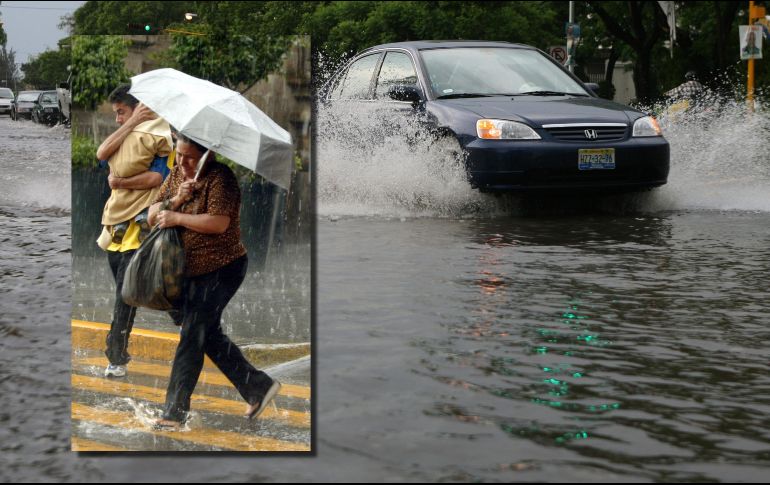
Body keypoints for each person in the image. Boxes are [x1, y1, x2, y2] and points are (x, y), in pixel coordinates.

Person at [148, 134, 280, 429]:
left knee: (193, 334)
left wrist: (178, 219)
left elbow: (218, 223)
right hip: (186, 273)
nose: (183, 162)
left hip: (222, 269)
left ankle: (174, 412)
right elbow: (152, 215)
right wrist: (178, 199)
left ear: (208, 155)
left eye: (191, 157)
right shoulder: (176, 176)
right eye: (179, 155)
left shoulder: (222, 179)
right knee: (207, 336)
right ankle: (258, 387)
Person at [97, 84, 174, 378]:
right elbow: (102, 153)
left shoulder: (159, 136)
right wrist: (130, 122)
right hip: (115, 224)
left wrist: (121, 183)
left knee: (126, 291)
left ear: (139, 106)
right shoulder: (126, 133)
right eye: (116, 113)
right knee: (133, 288)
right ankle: (194, 325)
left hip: (142, 225)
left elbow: (158, 177)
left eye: (121, 112)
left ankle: (115, 355)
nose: (117, 119)